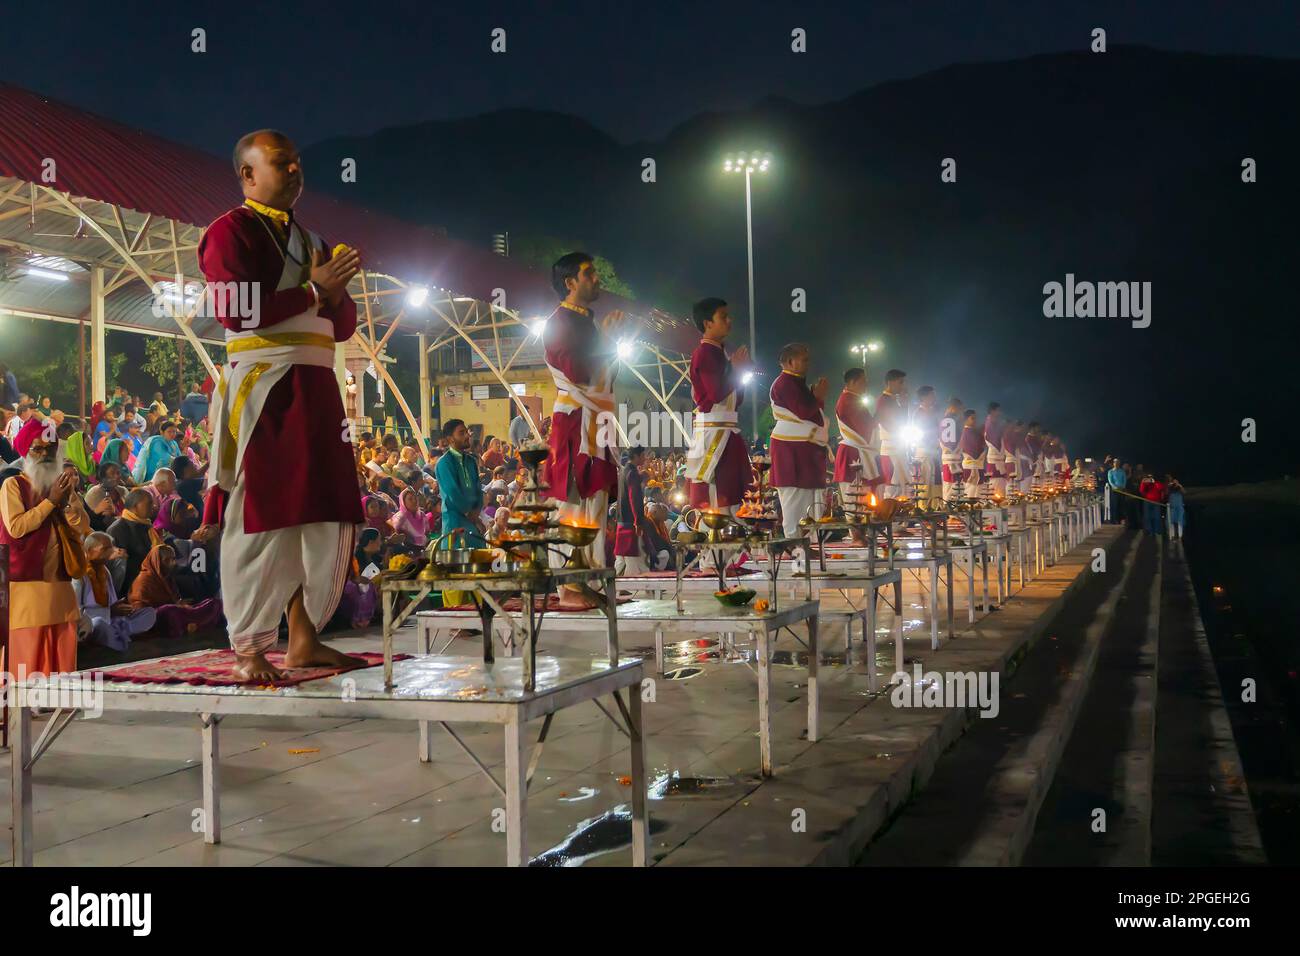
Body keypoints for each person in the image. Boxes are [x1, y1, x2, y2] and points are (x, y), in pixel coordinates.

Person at [197, 128, 365, 680]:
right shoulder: (227, 232)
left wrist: (333, 295)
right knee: (263, 514)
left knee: (323, 509)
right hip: (266, 388)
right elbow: (233, 310)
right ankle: (248, 648)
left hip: (317, 386)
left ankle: (304, 637)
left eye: (298, 163)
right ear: (247, 174)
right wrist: (317, 290)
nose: (295, 171)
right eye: (281, 163)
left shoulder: (315, 241)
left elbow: (341, 328)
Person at [543, 251, 629, 608]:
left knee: (595, 499)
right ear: (570, 283)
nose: (597, 279)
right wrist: (605, 342)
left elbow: (605, 375)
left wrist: (604, 340)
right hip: (576, 420)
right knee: (573, 499)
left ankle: (589, 576)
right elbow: (578, 371)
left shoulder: (587, 324)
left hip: (597, 419)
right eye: (589, 273)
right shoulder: (559, 322)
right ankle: (568, 586)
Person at [0, 418, 90, 685]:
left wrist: (68, 501)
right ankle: (23, 706)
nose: (44, 455)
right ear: (25, 453)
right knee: (28, 644)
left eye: (50, 450)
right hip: (25, 583)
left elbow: (82, 526)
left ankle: (58, 699)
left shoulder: (62, 485)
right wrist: (50, 501)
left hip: (60, 580)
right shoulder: (13, 486)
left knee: (62, 639)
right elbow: (16, 527)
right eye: (37, 449)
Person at [683, 297, 753, 513]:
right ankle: (715, 545)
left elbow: (735, 399)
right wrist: (734, 368)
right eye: (723, 317)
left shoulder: (720, 353)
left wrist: (736, 370)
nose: (729, 321)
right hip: (714, 435)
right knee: (716, 499)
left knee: (733, 497)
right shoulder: (704, 353)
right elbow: (716, 393)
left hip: (727, 430)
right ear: (707, 323)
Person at [769, 342, 829, 536]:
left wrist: (815, 396)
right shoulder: (785, 383)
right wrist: (818, 397)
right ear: (790, 362)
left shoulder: (796, 382)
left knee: (808, 501)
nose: (808, 364)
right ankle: (795, 545)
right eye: (804, 360)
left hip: (803, 450)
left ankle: (806, 543)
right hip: (791, 451)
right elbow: (803, 411)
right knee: (795, 502)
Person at [74, 532, 157, 652]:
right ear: (90, 550)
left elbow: (111, 603)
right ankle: (118, 640)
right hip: (92, 623)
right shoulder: (78, 575)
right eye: (105, 549)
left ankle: (117, 634)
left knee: (149, 613)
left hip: (113, 621)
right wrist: (109, 611)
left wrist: (119, 607)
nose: (110, 552)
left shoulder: (105, 571)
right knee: (98, 623)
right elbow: (77, 612)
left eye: (111, 548)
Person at [125, 544, 223, 639]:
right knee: (170, 611)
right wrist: (173, 606)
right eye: (167, 560)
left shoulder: (167, 578)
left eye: (173, 558)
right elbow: (140, 612)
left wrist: (180, 604)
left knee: (214, 603)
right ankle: (198, 625)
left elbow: (175, 601)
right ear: (157, 562)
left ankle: (194, 625)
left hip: (175, 612)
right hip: (156, 619)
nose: (173, 563)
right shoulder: (143, 581)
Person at [831, 367, 880, 503]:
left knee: (862, 500)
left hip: (856, 452)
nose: (866, 384)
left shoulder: (852, 399)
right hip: (853, 454)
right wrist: (880, 419)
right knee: (856, 503)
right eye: (863, 381)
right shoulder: (848, 400)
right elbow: (865, 430)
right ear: (852, 382)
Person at [615, 446, 651, 576]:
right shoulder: (632, 473)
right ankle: (634, 584)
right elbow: (633, 498)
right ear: (637, 456)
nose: (645, 458)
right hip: (631, 521)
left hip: (622, 519)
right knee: (634, 555)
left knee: (622, 557)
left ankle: (618, 587)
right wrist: (638, 521)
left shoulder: (625, 471)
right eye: (643, 455)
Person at [874, 369, 909, 497]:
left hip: (898, 447)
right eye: (900, 382)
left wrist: (904, 406)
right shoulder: (883, 400)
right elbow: (889, 425)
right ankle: (889, 515)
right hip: (890, 448)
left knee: (902, 486)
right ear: (891, 382)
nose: (903, 386)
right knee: (892, 487)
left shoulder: (893, 401)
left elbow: (902, 423)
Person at [912, 385, 941, 506]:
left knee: (935, 481)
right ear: (924, 397)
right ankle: (923, 509)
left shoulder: (933, 413)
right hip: (923, 452)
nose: (934, 397)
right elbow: (921, 434)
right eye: (932, 395)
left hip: (933, 452)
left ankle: (936, 508)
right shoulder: (918, 413)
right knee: (924, 482)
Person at [132, 420, 180, 484]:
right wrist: (179, 461)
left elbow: (179, 456)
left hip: (168, 473)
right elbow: (165, 457)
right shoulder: (157, 441)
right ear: (162, 432)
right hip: (154, 474)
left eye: (174, 431)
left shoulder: (174, 443)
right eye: (169, 432)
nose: (172, 434)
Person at [938, 396, 963, 502]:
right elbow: (951, 443)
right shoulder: (950, 420)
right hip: (952, 459)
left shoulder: (946, 419)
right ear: (954, 407)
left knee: (952, 487)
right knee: (951, 488)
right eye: (960, 409)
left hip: (951, 458)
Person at [958, 408, 987, 500]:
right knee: (970, 494)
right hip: (971, 468)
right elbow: (974, 450)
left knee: (979, 494)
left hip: (978, 467)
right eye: (972, 418)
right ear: (966, 420)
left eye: (975, 418)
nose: (975, 421)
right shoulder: (966, 432)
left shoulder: (974, 432)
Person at [983, 402, 1007, 497]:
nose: (1000, 413)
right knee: (996, 492)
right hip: (994, 460)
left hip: (999, 459)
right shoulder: (989, 424)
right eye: (998, 410)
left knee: (1000, 490)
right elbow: (994, 441)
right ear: (992, 411)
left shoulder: (995, 424)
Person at [1106, 458, 1126, 523]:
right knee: (1115, 505)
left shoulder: (1122, 471)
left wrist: (1122, 487)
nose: (1116, 463)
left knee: (1122, 505)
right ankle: (1115, 520)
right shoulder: (1110, 471)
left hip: (1122, 490)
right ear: (1113, 463)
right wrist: (1115, 487)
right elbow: (1110, 481)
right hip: (1114, 491)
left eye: (1118, 462)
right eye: (1115, 462)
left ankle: (1121, 519)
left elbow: (1124, 480)